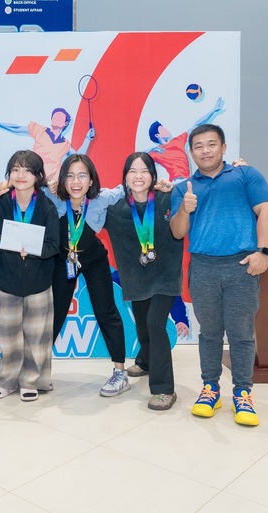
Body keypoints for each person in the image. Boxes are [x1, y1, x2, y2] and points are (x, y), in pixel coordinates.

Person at [170, 124, 268, 426]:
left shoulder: (246, 175)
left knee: (241, 334)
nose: (205, 150)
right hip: (203, 267)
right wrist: (185, 209)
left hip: (241, 266)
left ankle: (243, 393)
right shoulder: (184, 188)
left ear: (224, 147)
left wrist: (263, 252)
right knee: (210, 333)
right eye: (198, 146)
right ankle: (210, 389)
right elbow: (177, 232)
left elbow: (267, 211)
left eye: (211, 144)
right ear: (191, 152)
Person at [104, 152, 184, 410]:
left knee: (155, 323)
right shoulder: (114, 208)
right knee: (143, 325)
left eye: (144, 171)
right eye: (132, 171)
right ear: (125, 177)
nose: (138, 176)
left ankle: (164, 389)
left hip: (166, 276)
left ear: (153, 175)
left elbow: (195, 189)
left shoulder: (167, 198)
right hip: (136, 278)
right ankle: (146, 361)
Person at [47, 154, 131, 397]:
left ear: (91, 180)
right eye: (70, 176)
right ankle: (38, 369)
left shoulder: (102, 198)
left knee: (107, 312)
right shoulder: (52, 197)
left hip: (94, 260)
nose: (76, 182)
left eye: (82, 175)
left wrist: (160, 184)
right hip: (63, 261)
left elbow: (130, 187)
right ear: (62, 180)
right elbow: (23, 183)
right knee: (54, 313)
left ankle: (120, 373)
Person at [0, 150, 60, 401]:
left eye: (27, 170)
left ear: (38, 175)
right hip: (9, 280)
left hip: (39, 281)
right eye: (15, 169)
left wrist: (33, 250)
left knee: (37, 336)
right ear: (9, 174)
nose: (20, 175)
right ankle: (7, 381)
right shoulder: (2, 202)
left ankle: (31, 381)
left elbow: (54, 245)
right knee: (9, 336)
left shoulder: (46, 205)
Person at [0, 108, 95, 185]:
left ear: (65, 123)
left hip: (52, 184)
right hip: (34, 179)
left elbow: (78, 156)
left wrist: (87, 139)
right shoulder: (40, 130)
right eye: (54, 117)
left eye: (59, 117)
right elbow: (17, 128)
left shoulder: (65, 144)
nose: (55, 119)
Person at [147, 97, 225, 180]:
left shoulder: (178, 140)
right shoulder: (156, 152)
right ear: (157, 135)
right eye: (162, 129)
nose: (166, 130)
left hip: (187, 180)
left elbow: (197, 124)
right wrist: (151, 149)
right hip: (175, 182)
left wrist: (213, 111)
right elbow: (139, 157)